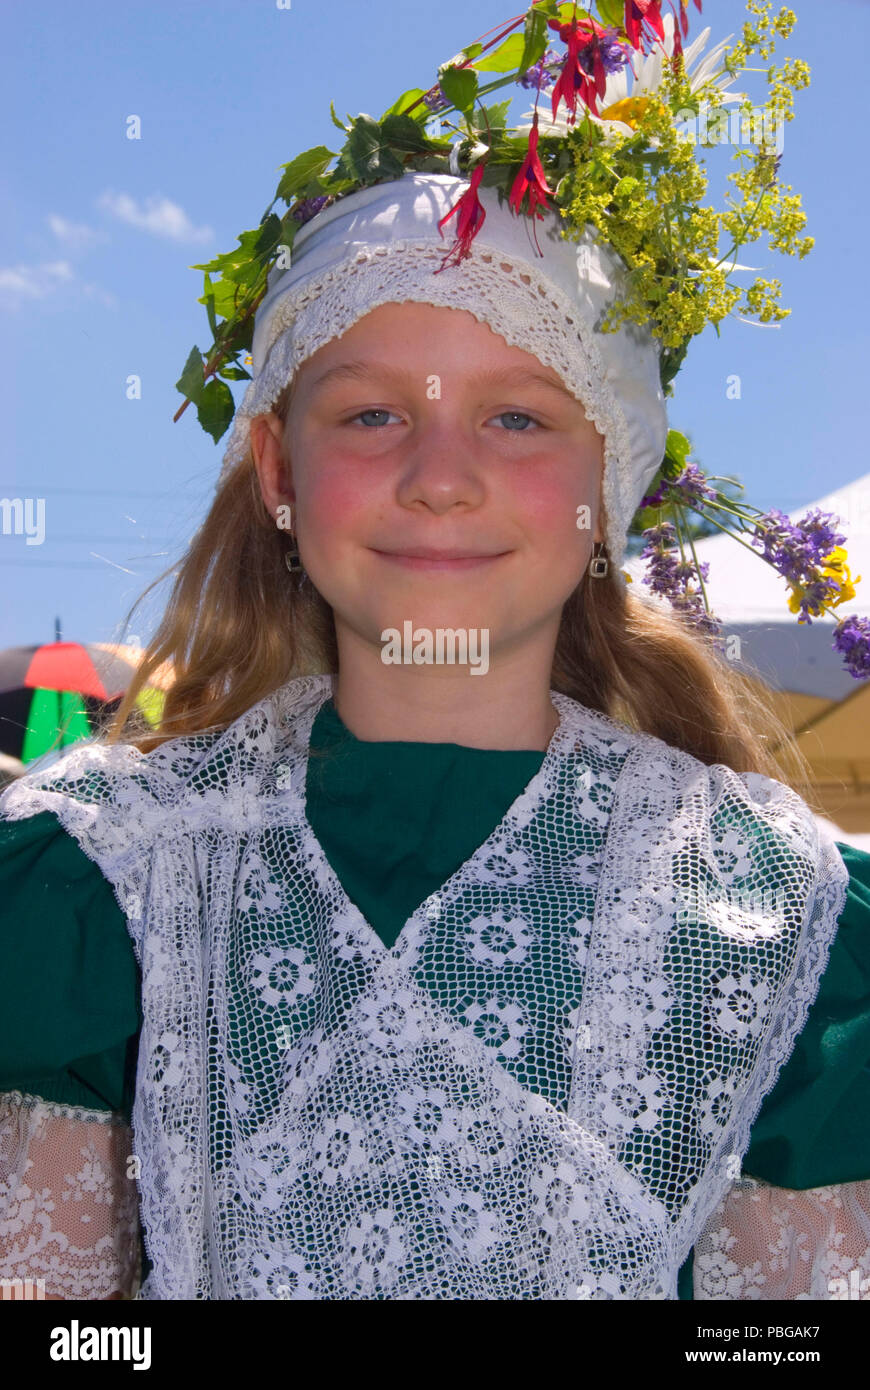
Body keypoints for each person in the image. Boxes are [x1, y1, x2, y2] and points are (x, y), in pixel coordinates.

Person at [1, 6, 869, 1301]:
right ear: (280, 470)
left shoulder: (782, 916)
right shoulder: (97, 875)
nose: (440, 477)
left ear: (607, 490)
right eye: (370, 413)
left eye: (517, 416)